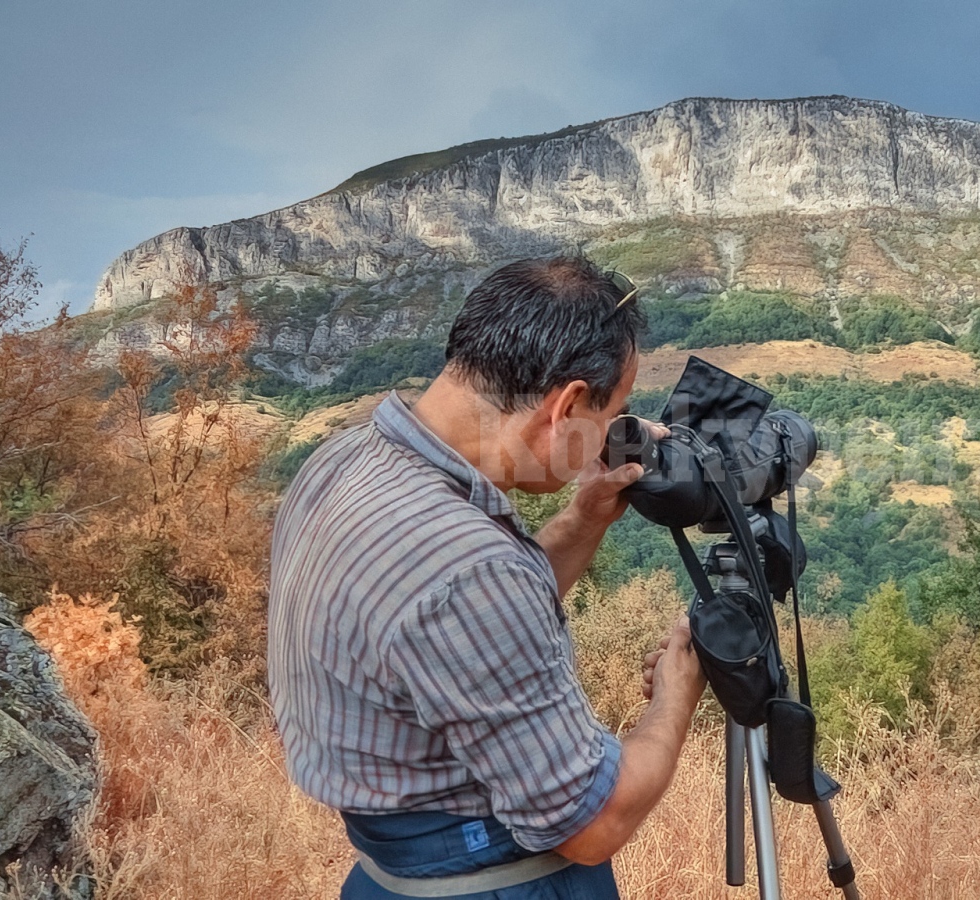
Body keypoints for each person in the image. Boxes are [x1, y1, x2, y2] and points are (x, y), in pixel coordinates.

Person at [268, 256, 707, 899]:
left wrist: (583, 518)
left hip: (388, 876)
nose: (617, 431)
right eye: (615, 409)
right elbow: (592, 822)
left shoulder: (340, 461)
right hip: (491, 884)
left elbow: (455, 641)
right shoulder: (469, 569)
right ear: (569, 405)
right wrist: (677, 694)